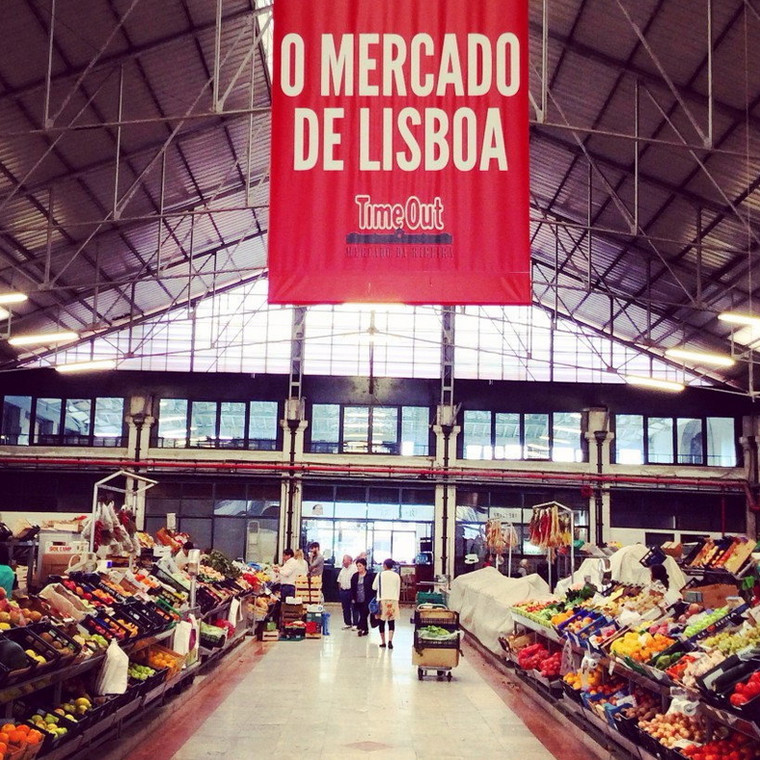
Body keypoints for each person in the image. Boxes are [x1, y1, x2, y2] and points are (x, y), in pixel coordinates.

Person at [372, 558, 401, 649]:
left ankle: (383, 642)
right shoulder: (396, 575)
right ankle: (390, 641)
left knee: (381, 622)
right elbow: (398, 588)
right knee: (391, 621)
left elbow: (374, 587)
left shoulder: (380, 575)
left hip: (382, 600)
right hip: (393, 600)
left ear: (384, 565)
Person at [350, 558, 375, 637]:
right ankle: (365, 629)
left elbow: (373, 587)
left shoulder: (370, 575)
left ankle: (360, 627)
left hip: (368, 597)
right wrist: (353, 598)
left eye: (360, 566)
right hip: (358, 598)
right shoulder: (355, 576)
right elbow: (353, 588)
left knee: (365, 613)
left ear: (364, 566)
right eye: (357, 566)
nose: (358, 568)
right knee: (362, 613)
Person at [336, 554, 357, 629]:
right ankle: (348, 623)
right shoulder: (343, 570)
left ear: (349, 561)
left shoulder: (354, 568)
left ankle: (355, 623)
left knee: (354, 607)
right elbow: (339, 580)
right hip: (343, 591)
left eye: (344, 560)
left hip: (351, 591)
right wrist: (340, 591)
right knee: (345, 608)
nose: (343, 562)